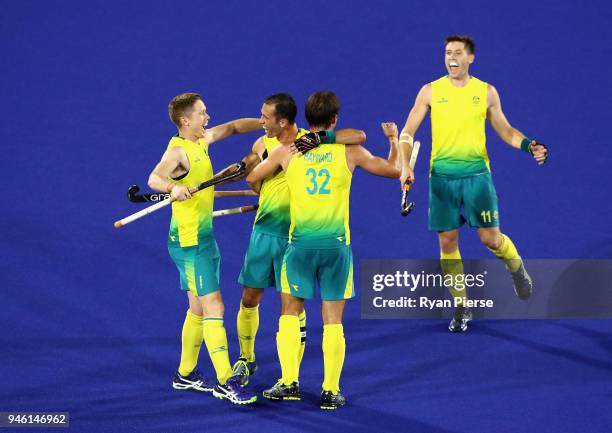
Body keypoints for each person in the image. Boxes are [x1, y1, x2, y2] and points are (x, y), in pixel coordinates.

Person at [246, 91, 400, 409]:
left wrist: (266, 190)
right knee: (333, 321)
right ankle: (331, 390)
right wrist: (395, 141)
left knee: (289, 314)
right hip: (336, 248)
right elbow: (395, 170)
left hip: (299, 246)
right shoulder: (350, 151)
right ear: (334, 120)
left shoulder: (286, 152)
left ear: (305, 119)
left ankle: (289, 382)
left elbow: (252, 177)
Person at [397, 35, 548, 332]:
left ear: (470, 58)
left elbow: (505, 130)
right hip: (441, 180)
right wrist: (404, 165)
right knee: (447, 241)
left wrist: (529, 145)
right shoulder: (429, 91)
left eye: (457, 53)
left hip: (477, 177)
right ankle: (462, 305)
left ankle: (516, 268)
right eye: (447, 53)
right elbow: (407, 132)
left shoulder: (486, 92)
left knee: (491, 240)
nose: (451, 58)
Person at [230, 93, 367, 387]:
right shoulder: (262, 144)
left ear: (283, 121)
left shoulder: (308, 141)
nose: (260, 122)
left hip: (296, 237)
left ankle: (289, 378)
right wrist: (254, 188)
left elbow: (357, 135)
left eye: (265, 117)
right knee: (249, 297)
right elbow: (247, 174)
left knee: (292, 310)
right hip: (265, 232)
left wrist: (322, 140)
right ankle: (246, 357)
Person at [147, 92, 260, 404]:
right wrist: (173, 186)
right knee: (215, 308)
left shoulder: (201, 141)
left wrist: (264, 124)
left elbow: (235, 127)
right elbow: (154, 177)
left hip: (203, 239)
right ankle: (226, 380)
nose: (207, 118)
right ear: (186, 121)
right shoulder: (179, 152)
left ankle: (185, 374)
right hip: (190, 242)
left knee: (197, 309)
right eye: (202, 113)